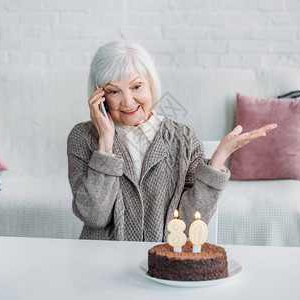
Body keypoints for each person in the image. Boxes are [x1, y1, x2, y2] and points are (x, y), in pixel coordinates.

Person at [67, 40, 276, 242]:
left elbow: (187, 224)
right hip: (101, 264)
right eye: (114, 91)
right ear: (100, 95)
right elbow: (95, 217)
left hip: (162, 265)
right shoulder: (83, 137)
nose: (128, 101)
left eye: (136, 86)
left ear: (150, 84)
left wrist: (217, 161)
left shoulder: (184, 139)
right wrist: (105, 144)